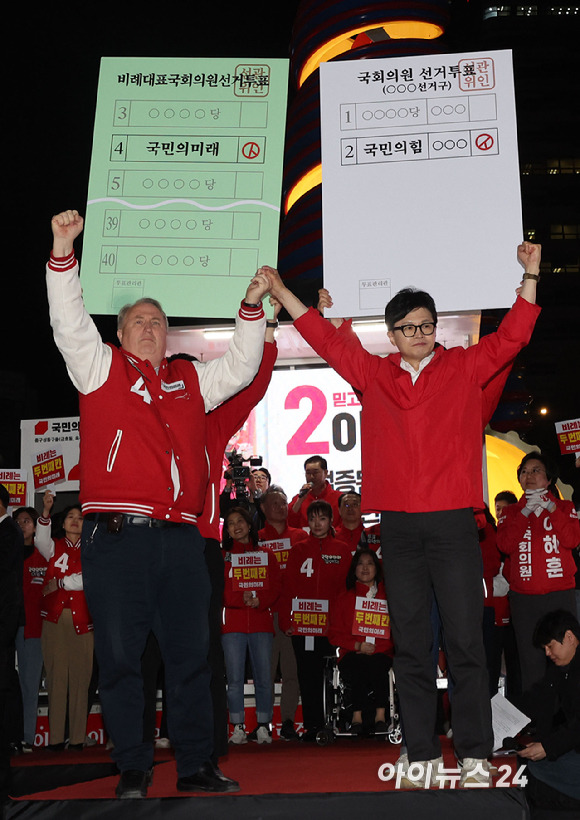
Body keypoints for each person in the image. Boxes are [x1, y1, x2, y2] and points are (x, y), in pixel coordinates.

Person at [268, 241, 542, 785]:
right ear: (390, 334)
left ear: (435, 329)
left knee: (465, 642)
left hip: (451, 525)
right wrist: (281, 292)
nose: (419, 333)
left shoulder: (463, 368)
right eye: (408, 327)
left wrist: (530, 273)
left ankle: (474, 754)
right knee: (413, 644)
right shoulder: (374, 376)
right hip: (397, 526)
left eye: (426, 325)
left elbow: (513, 335)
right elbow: (324, 338)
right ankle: (419, 754)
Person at [47, 209, 273, 797]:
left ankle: (196, 764)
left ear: (168, 334)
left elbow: (244, 365)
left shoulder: (188, 379)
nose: (149, 327)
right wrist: (63, 253)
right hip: (116, 538)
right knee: (122, 660)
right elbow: (69, 322)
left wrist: (251, 307)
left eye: (158, 321)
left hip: (180, 539)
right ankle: (133, 767)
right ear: (119, 334)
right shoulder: (98, 369)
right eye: (138, 321)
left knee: (190, 657)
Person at [496, 452, 580, 694]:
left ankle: (569, 715)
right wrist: (523, 513)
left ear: (549, 478)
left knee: (567, 654)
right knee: (531, 660)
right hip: (524, 599)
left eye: (536, 470)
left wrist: (551, 508)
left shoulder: (564, 507)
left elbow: (572, 540)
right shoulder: (511, 513)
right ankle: (538, 717)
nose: (529, 475)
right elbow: (506, 546)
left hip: (559, 594)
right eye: (524, 471)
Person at [279, 500, 351, 741]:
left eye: (322, 519)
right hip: (305, 625)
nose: (317, 524)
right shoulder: (298, 550)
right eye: (312, 519)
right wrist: (286, 620)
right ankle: (312, 726)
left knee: (333, 676)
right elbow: (288, 587)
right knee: (307, 674)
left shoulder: (341, 550)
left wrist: (343, 621)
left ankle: (337, 723)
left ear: (331, 521)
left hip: (333, 626)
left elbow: (347, 591)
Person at [35, 491, 93, 751]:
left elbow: (86, 580)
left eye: (80, 518)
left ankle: (78, 739)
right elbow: (41, 540)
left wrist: (59, 583)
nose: (75, 521)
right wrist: (46, 512)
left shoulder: (94, 549)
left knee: (81, 680)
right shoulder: (53, 546)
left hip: (83, 622)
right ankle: (56, 739)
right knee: (57, 678)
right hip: (56, 620)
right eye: (70, 516)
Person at [221, 507, 280, 745]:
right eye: (230, 523)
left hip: (260, 622)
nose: (236, 526)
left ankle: (264, 725)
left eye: (240, 521)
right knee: (234, 679)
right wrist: (239, 599)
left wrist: (259, 600)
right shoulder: (222, 556)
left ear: (249, 525)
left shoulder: (266, 554)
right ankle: (237, 726)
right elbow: (220, 590)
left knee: (264, 678)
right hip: (233, 624)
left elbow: (275, 587)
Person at [517, 610, 580, 812]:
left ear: (569, 637)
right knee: (528, 768)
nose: (547, 653)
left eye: (550, 646)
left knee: (535, 775)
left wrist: (548, 746)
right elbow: (539, 696)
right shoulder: (562, 667)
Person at [258, 486, 307, 740]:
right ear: (263, 508)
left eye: (283, 503)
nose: (280, 507)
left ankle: (287, 720)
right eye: (274, 503)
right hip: (263, 614)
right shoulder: (255, 540)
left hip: (292, 612)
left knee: (291, 671)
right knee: (265, 672)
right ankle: (263, 722)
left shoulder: (300, 536)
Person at [328, 548, 393, 735]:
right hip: (352, 652)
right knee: (358, 663)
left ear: (377, 568)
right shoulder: (344, 598)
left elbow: (394, 633)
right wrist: (357, 646)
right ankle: (356, 717)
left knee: (377, 663)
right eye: (360, 564)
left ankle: (380, 716)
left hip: (381, 652)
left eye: (370, 563)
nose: (365, 568)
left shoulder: (387, 597)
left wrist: (376, 648)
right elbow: (334, 634)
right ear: (354, 569)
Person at [13, 507, 47, 752]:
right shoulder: (6, 555)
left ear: (36, 527)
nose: (22, 525)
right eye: (18, 521)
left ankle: (27, 736)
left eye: (27, 521)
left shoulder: (43, 558)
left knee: (29, 683)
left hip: (33, 628)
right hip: (7, 625)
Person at [287, 456, 342, 530]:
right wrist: (299, 501)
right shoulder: (298, 499)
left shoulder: (339, 498)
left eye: (315, 472)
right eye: (308, 473)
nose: (311, 477)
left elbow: (346, 524)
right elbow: (289, 524)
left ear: (325, 473)